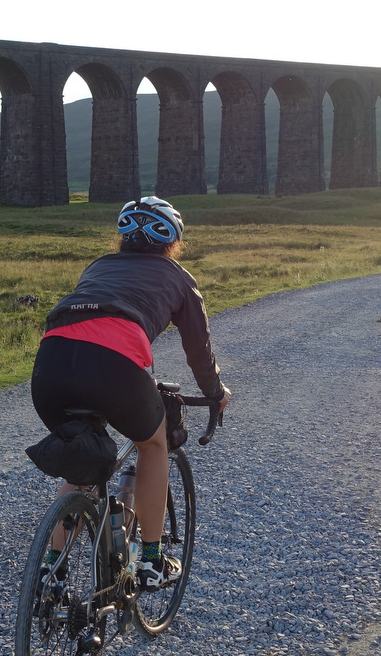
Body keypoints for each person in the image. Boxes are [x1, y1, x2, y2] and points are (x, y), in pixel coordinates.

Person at [31, 196, 231, 589]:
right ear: (172, 243)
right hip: (114, 367)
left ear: (122, 238)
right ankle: (153, 562)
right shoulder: (178, 277)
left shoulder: (98, 266)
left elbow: (90, 327)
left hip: (51, 363)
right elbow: (198, 349)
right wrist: (215, 391)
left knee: (79, 451)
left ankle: (51, 570)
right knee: (153, 445)